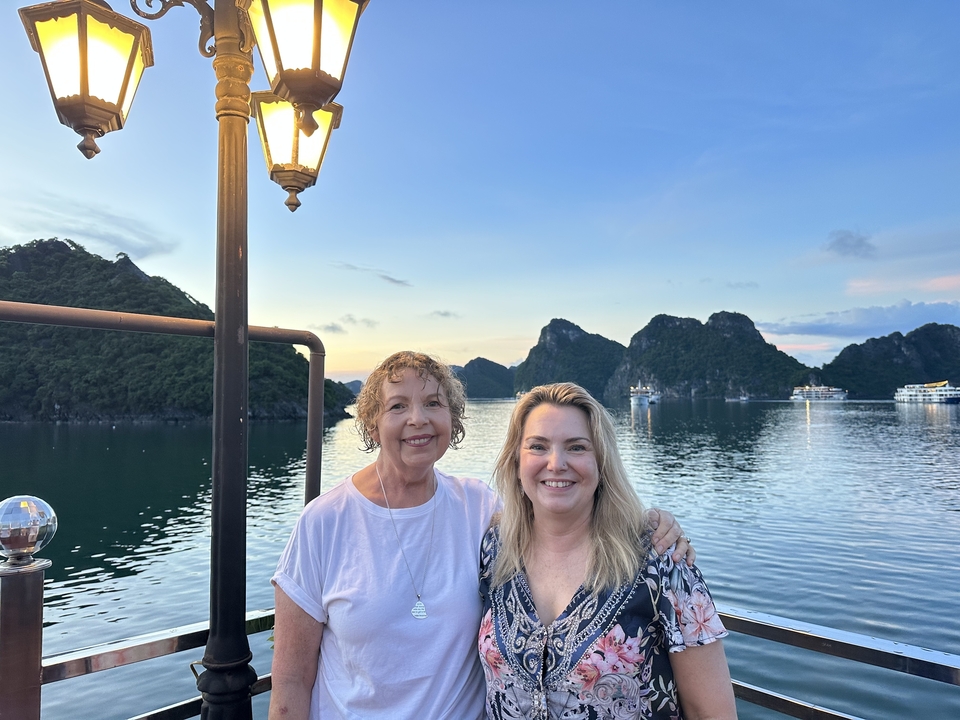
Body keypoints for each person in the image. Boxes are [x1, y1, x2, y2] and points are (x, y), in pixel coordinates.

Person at [269, 352, 693, 720]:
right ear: (372, 422)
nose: (418, 418)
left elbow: (559, 506)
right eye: (397, 406)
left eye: (433, 403)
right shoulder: (324, 522)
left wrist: (650, 521)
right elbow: (290, 678)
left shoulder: (478, 507)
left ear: (451, 420)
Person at [478, 382, 737, 720]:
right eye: (538, 446)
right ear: (516, 461)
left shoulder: (662, 561)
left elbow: (710, 712)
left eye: (576, 447)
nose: (556, 463)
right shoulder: (494, 551)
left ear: (602, 462)